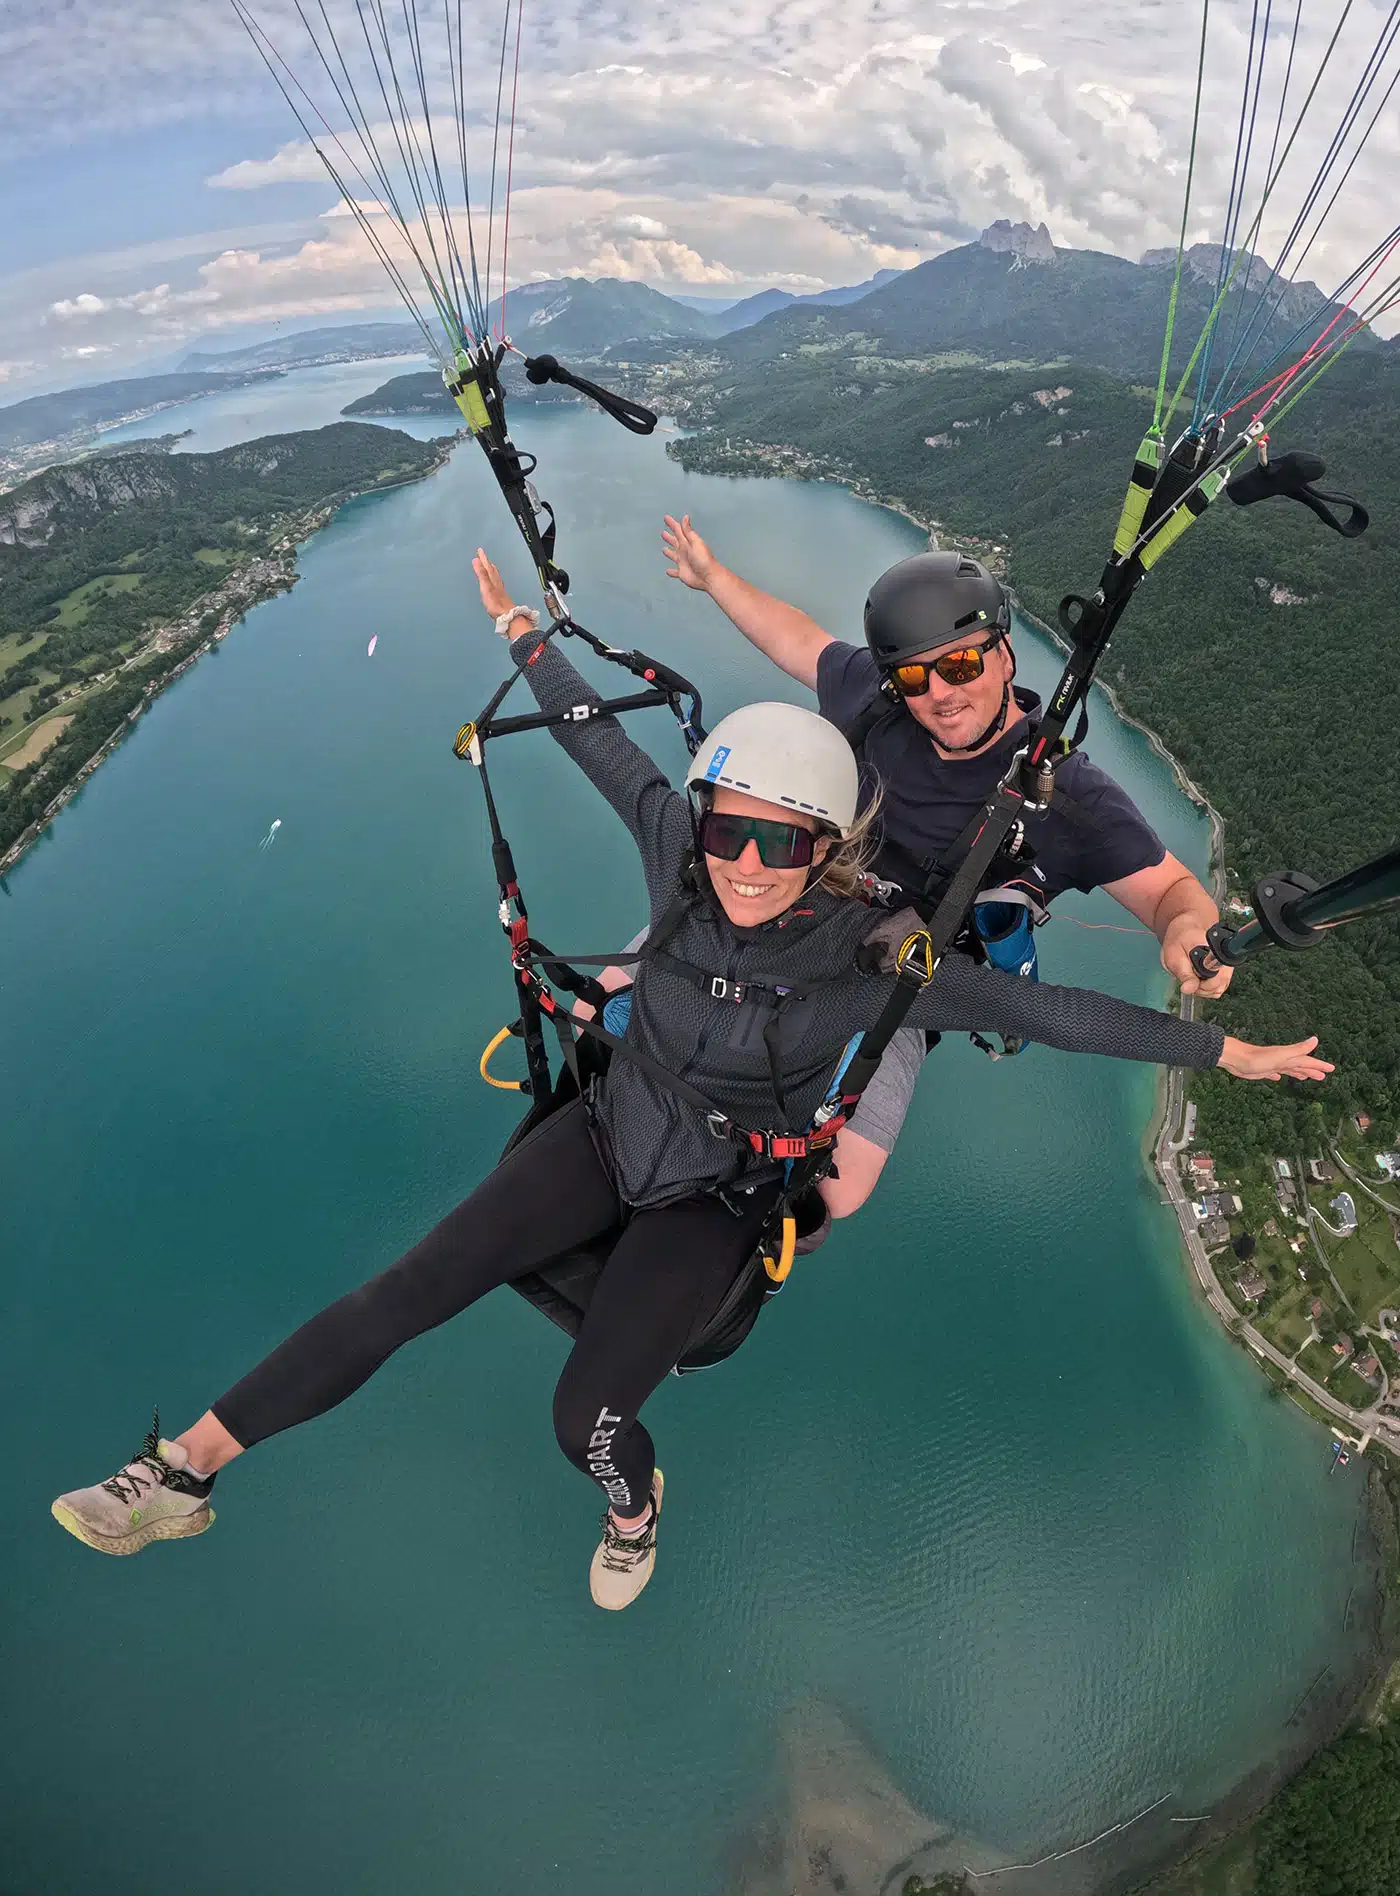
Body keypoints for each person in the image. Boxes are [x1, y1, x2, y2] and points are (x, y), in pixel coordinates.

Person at [51, 550, 1332, 1611]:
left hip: (717, 1187)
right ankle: (182, 1473)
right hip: (619, 1126)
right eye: (729, 831)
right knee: (408, 1289)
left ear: (828, 847)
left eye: (780, 845)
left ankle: (632, 1504)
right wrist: (527, 632)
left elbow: (1045, 1008)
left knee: (586, 1419)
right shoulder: (691, 841)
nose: (747, 861)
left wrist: (1217, 1045)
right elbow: (599, 743)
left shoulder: (881, 962)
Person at [661, 516, 1234, 1211]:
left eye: (961, 665)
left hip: (907, 978)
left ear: (1004, 658)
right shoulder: (877, 706)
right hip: (806, 911)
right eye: (915, 676)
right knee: (621, 989)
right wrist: (712, 575)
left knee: (839, 1192)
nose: (941, 692)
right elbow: (798, 640)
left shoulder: (1062, 793)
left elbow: (1170, 888)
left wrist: (1186, 929)